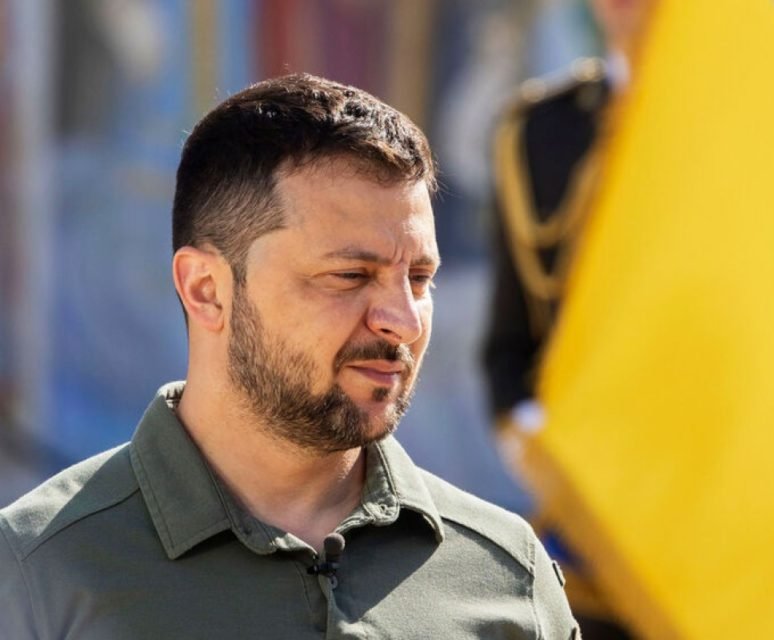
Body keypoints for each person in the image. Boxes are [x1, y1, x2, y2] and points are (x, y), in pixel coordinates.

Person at [0, 74, 577, 639]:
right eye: (350, 276)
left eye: (420, 279)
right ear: (207, 289)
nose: (403, 321)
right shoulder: (36, 570)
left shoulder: (510, 579)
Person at [482, 1, 654, 637]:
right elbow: (510, 348)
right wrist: (547, 448)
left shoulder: (766, 127)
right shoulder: (543, 130)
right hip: (592, 530)